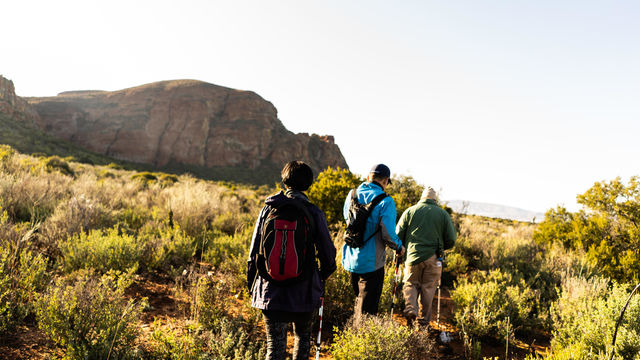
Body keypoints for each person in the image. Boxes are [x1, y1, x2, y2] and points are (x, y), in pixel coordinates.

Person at [247, 161, 337, 360]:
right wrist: (321, 278)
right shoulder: (314, 212)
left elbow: (254, 251)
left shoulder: (267, 209)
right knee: (302, 342)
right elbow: (328, 254)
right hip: (304, 292)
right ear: (308, 184)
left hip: (270, 291)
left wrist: (252, 283)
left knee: (274, 349)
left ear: (285, 180)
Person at [342, 163, 405, 318]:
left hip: (350, 258)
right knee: (368, 311)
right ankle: (361, 339)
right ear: (385, 181)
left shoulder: (352, 194)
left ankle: (354, 337)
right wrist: (399, 247)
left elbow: (347, 219)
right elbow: (388, 234)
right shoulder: (386, 201)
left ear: (369, 177)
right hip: (372, 263)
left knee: (358, 302)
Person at [396, 186, 456, 327]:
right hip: (434, 258)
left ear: (422, 198)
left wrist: (402, 249)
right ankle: (423, 323)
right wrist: (442, 248)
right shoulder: (443, 214)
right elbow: (452, 239)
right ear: (435, 200)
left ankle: (411, 310)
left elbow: (397, 234)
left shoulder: (410, 211)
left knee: (410, 284)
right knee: (428, 288)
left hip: (412, 256)